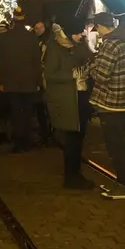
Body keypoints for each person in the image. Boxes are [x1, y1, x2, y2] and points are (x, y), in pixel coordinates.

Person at [89, 12, 125, 194]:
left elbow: (101, 75)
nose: (99, 32)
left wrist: (92, 69)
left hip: (110, 102)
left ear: (102, 27)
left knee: (114, 145)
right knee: (120, 142)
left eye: (98, 28)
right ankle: (121, 181)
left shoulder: (110, 45)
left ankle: (122, 185)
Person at [44, 20, 95, 188]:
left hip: (80, 95)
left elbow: (87, 58)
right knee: (72, 137)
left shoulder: (77, 44)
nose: (81, 35)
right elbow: (50, 74)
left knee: (79, 136)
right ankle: (72, 177)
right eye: (78, 32)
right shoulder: (54, 47)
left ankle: (75, 173)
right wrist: (72, 75)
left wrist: (82, 45)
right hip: (67, 98)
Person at [0, 8, 43, 152]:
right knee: (27, 113)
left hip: (12, 82)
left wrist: (3, 81)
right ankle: (26, 142)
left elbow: (3, 62)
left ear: (13, 19)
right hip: (29, 83)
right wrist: (38, 82)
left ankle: (18, 143)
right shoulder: (32, 37)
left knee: (16, 113)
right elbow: (36, 61)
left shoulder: (4, 37)